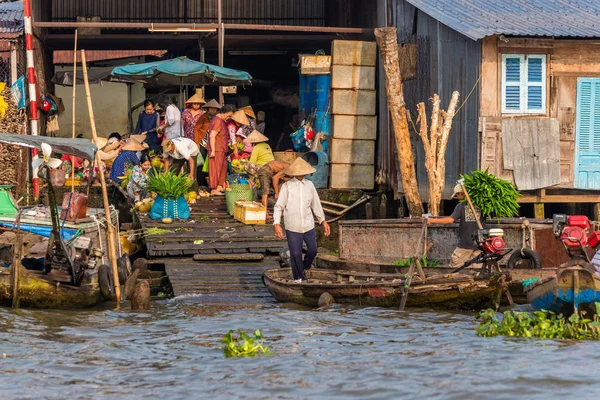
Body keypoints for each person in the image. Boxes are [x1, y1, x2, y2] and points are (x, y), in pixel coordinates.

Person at [273, 158, 331, 283]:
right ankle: (298, 278)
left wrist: (323, 221)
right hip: (292, 226)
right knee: (295, 254)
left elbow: (316, 204)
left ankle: (305, 267)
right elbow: (279, 206)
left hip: (308, 224)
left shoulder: (309, 185)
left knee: (313, 250)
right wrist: (276, 223)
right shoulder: (287, 186)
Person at [427, 183, 485, 268]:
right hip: (480, 243)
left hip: (466, 243)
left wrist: (432, 220)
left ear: (462, 193)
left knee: (455, 267)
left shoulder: (461, 206)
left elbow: (450, 220)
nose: (457, 197)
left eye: (457, 195)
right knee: (476, 270)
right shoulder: (483, 206)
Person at [207, 104, 235, 196]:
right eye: (229, 115)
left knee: (223, 168)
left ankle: (219, 187)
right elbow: (212, 136)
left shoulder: (221, 121)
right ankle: (214, 189)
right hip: (217, 149)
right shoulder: (217, 121)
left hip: (222, 149)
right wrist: (213, 150)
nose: (229, 117)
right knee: (216, 169)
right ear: (224, 112)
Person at [194, 99, 221, 187]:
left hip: (213, 144)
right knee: (201, 165)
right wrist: (196, 142)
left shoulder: (218, 118)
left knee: (211, 164)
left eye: (215, 109)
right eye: (211, 109)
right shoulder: (203, 117)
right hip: (203, 143)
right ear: (208, 109)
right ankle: (201, 184)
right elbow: (196, 129)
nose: (213, 110)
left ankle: (211, 183)